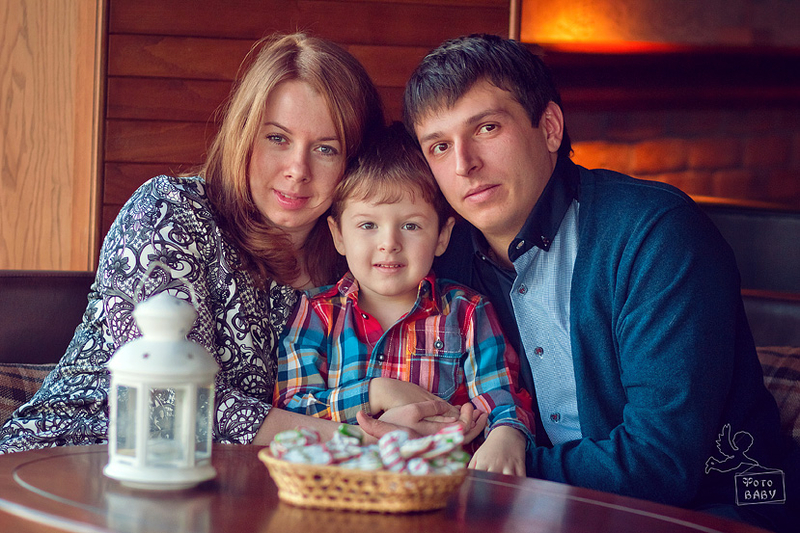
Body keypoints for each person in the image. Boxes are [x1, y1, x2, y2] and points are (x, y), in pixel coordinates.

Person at [359, 34, 797, 531]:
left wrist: (470, 469)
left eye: (486, 128)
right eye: (440, 146)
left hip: (716, 508)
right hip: (533, 511)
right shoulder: (440, 256)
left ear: (549, 127)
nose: (464, 164)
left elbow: (661, 464)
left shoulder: (656, 235)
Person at [0, 33, 460, 454]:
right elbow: (169, 399)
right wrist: (365, 440)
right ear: (244, 135)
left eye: (326, 148)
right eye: (277, 138)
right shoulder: (171, 210)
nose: (297, 170)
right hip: (76, 455)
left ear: (355, 164)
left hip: (234, 486)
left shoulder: (359, 267)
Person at [274, 123, 536, 475]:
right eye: (368, 225)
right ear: (339, 235)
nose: (389, 243)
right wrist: (375, 393)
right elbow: (291, 408)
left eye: (411, 226)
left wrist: (506, 434)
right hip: (340, 488)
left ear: (442, 236)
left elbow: (500, 395)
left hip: (442, 488)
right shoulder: (317, 313)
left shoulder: (467, 312)